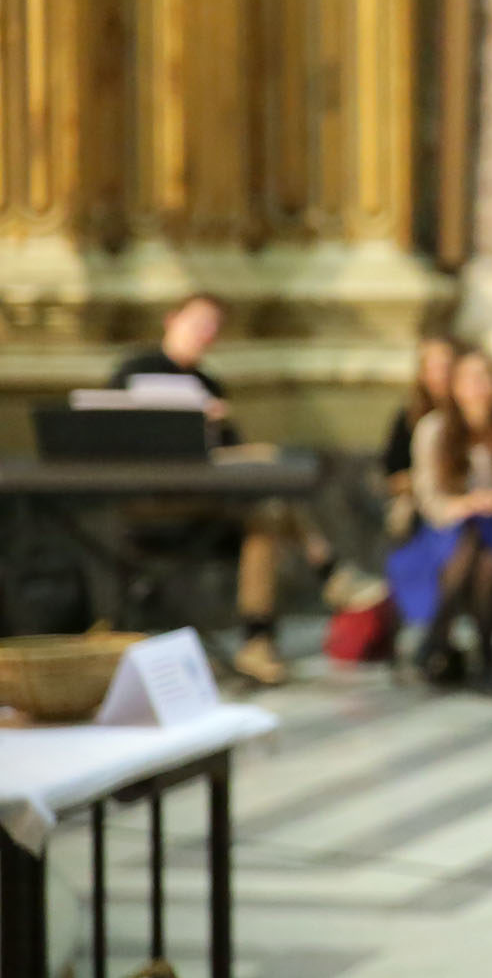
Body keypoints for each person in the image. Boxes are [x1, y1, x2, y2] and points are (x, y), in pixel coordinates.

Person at [110, 292, 334, 684]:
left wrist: (219, 427)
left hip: (206, 501)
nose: (206, 332)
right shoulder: (138, 370)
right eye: (199, 321)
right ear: (172, 319)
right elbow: (109, 431)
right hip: (152, 502)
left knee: (268, 511)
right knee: (266, 469)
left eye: (214, 326)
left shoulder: (209, 383)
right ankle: (327, 566)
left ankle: (257, 642)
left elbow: (230, 456)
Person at [387, 347, 492, 691]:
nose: (478, 387)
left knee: (491, 553)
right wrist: (464, 505)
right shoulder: (434, 429)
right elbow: (429, 496)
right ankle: (478, 648)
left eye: (486, 377)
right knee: (473, 543)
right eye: (469, 379)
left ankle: (442, 639)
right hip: (448, 528)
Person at [381, 332, 459, 539]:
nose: (443, 375)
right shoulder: (409, 419)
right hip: (422, 505)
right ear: (423, 375)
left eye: (448, 367)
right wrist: (425, 480)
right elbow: (391, 476)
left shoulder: (467, 414)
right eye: (435, 368)